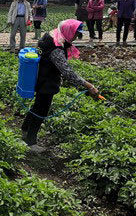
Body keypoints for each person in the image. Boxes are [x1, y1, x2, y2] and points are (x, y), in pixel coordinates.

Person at [21, 19, 99, 153]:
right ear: (68, 31)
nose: (75, 37)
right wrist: (88, 85)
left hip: (41, 77)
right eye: (75, 34)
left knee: (37, 106)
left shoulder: (53, 35)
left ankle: (25, 129)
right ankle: (30, 142)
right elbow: (67, 71)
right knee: (41, 111)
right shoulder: (56, 47)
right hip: (46, 80)